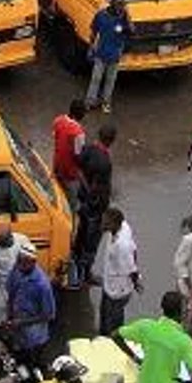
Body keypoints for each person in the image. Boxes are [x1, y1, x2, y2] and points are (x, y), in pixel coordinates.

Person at [114, 290, 192, 383]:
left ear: (162, 307)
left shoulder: (146, 327)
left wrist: (134, 357)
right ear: (181, 312)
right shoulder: (184, 341)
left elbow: (115, 335)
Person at [0, 243, 56, 370]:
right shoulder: (17, 269)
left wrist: (21, 322)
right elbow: (11, 292)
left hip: (34, 336)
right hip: (18, 331)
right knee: (19, 363)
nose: (20, 266)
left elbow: (49, 315)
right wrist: (9, 317)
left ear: (33, 262)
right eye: (19, 261)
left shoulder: (42, 285)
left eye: (24, 263)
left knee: (33, 365)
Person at [73, 123, 117, 287]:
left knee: (81, 234)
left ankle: (76, 263)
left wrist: (84, 188)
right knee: (91, 242)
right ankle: (85, 274)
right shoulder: (104, 162)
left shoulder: (88, 149)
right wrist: (99, 203)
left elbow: (78, 167)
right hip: (95, 207)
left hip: (83, 201)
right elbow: (99, 188)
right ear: (111, 141)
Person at [92, 206, 142, 335]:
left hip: (118, 290)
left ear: (114, 224)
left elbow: (131, 268)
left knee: (113, 320)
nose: (102, 224)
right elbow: (134, 249)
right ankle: (103, 335)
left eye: (105, 223)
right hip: (109, 282)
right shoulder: (123, 226)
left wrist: (136, 283)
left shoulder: (122, 245)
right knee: (104, 312)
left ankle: (114, 341)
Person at [87, 0, 130, 110]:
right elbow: (93, 32)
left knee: (110, 81)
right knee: (96, 78)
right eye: (118, 4)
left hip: (115, 54)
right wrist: (91, 47)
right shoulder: (101, 15)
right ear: (111, 4)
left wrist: (127, 18)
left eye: (122, 5)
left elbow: (131, 32)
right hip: (101, 53)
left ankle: (106, 102)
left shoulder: (123, 17)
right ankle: (90, 101)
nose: (120, 7)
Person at [51, 99, 88, 209]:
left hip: (57, 165)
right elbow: (78, 155)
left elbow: (55, 137)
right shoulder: (78, 132)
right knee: (72, 199)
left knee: (57, 192)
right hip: (70, 172)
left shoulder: (58, 120)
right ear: (81, 114)